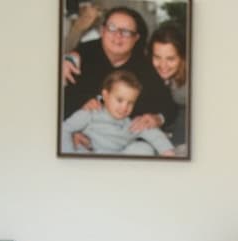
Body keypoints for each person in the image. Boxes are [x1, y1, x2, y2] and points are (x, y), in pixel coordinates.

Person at [61, 6, 176, 140]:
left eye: (126, 32)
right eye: (112, 28)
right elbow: (61, 101)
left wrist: (158, 118)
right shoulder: (80, 56)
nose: (118, 35)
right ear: (102, 31)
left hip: (124, 139)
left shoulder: (145, 65)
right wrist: (71, 129)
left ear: (136, 38)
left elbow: (168, 105)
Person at [61, 70, 174, 156]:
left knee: (144, 148)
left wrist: (168, 152)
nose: (124, 107)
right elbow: (64, 128)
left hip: (119, 162)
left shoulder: (131, 124)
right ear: (105, 95)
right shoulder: (91, 113)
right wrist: (68, 152)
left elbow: (154, 134)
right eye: (119, 100)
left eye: (130, 103)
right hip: (92, 158)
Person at [148, 24, 188, 156]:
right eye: (157, 57)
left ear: (183, 57)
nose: (163, 65)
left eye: (170, 59)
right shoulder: (153, 73)